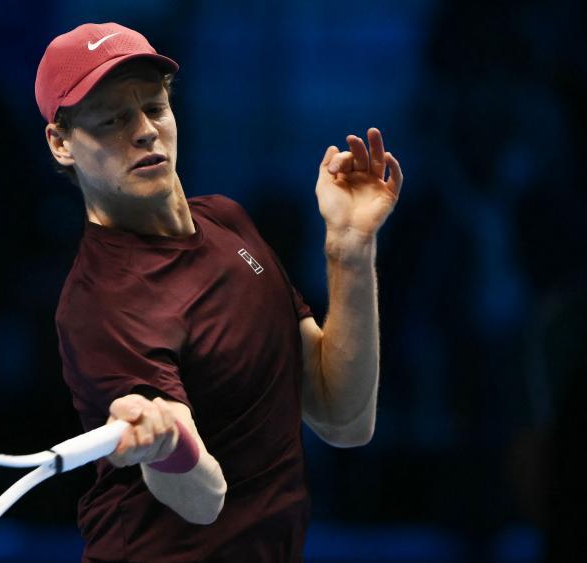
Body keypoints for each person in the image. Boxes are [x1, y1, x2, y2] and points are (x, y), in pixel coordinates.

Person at [35, 22, 403, 562]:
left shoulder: (228, 222)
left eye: (155, 109)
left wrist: (349, 247)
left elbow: (343, 417)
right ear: (62, 143)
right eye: (113, 119)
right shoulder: (101, 306)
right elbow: (204, 499)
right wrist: (168, 447)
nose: (144, 132)